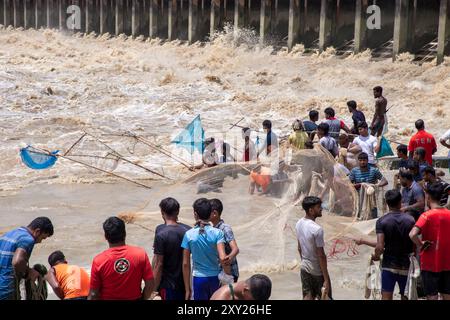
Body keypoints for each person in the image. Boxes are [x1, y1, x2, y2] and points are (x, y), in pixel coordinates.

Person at [355, 189, 415, 300]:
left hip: (389, 265)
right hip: (406, 265)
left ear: (387, 203)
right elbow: (414, 242)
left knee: (386, 297)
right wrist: (363, 240)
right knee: (406, 296)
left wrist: (376, 256)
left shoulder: (382, 221)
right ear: (400, 201)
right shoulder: (410, 220)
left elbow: (380, 246)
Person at [88, 217, 154, 300]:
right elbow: (150, 284)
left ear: (105, 236)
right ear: (125, 233)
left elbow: (94, 294)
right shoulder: (140, 254)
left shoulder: (99, 261)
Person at [409, 183, 450, 300]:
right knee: (447, 294)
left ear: (429, 197)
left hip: (430, 263)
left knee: (432, 296)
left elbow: (412, 234)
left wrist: (420, 244)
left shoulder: (426, 216)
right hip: (448, 262)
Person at [181, 198, 226, 300]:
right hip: (215, 278)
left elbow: (185, 263)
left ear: (195, 214)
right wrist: (227, 278)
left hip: (198, 279)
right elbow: (223, 258)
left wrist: (187, 289)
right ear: (210, 213)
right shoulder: (218, 233)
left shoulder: (189, 234)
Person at [0, 217, 54, 300]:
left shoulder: (9, 234)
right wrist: (29, 272)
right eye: (42, 238)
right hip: (6, 289)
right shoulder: (27, 239)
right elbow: (17, 262)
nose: (40, 242)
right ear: (37, 231)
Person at [152, 197, 191, 300]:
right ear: (178, 211)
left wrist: (153, 288)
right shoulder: (188, 231)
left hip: (167, 285)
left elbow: (158, 263)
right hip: (185, 283)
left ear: (162, 212)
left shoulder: (160, 232)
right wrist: (189, 288)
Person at [295, 196, 332, 300]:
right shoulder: (317, 230)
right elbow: (321, 255)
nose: (321, 209)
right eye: (318, 207)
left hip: (304, 267)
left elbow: (299, 248)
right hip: (317, 271)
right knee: (325, 297)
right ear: (311, 210)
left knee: (307, 297)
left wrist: (304, 263)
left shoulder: (298, 223)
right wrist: (325, 279)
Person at [349, 152, 388, 219]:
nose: (362, 162)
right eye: (360, 160)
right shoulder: (354, 171)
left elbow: (385, 181)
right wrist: (359, 185)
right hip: (358, 198)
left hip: (371, 198)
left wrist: (375, 186)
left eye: (364, 160)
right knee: (360, 216)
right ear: (358, 161)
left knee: (372, 216)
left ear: (367, 161)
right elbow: (349, 184)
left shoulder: (374, 170)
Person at [210, 199, 240, 283]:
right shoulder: (212, 229)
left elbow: (235, 249)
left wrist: (229, 258)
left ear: (215, 213)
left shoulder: (225, 228)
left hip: (229, 273)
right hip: (220, 272)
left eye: (208, 211)